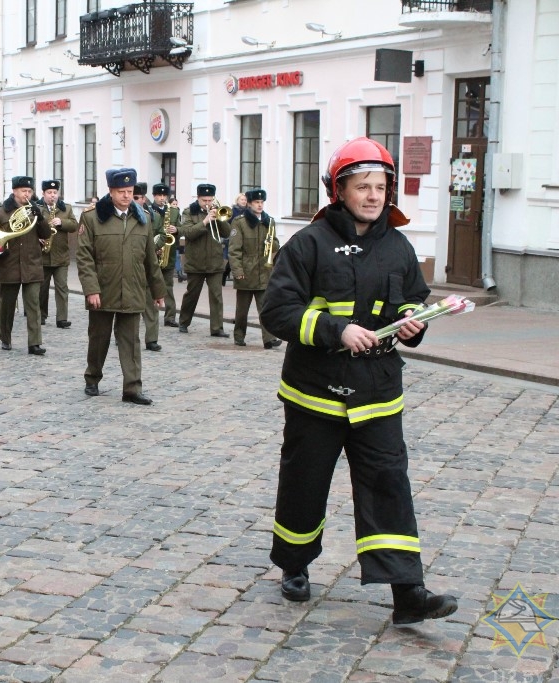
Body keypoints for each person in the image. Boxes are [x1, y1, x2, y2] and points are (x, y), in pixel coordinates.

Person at [260, 137, 457, 625]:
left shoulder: (398, 244)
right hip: (315, 394)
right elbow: (277, 312)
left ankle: (408, 592)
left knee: (390, 486)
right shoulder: (307, 243)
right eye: (362, 186)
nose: (373, 195)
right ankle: (295, 565)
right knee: (305, 483)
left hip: (378, 395)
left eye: (381, 186)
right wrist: (336, 330)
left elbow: (413, 297)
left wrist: (414, 321)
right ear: (338, 190)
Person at [76, 168, 166, 405]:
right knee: (99, 338)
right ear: (111, 191)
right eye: (121, 192)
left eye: (130, 191)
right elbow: (84, 256)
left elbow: (150, 258)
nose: (127, 196)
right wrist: (91, 289)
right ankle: (92, 377)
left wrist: (158, 291)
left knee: (131, 341)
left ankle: (132, 388)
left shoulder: (142, 218)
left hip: (133, 288)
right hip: (103, 288)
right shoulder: (92, 217)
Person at [0, 176, 52, 355]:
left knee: (33, 305)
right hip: (9, 264)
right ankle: (6, 338)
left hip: (32, 263)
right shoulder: (0, 212)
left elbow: (46, 233)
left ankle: (35, 343)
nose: (27, 194)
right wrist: (1, 251)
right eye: (24, 191)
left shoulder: (35, 209)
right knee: (8, 306)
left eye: (29, 191)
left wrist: (40, 217)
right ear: (15, 191)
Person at [228, 189, 281, 349]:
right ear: (250, 204)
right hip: (246, 271)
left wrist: (271, 242)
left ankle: (269, 339)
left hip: (264, 271)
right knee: (242, 310)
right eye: (257, 202)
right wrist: (237, 271)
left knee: (265, 308)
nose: (260, 205)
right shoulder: (240, 222)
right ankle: (239, 335)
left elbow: (276, 245)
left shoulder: (268, 221)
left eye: (261, 202)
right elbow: (234, 249)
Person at [178, 184, 230, 338]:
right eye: (204, 200)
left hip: (215, 261)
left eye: (210, 200)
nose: (207, 203)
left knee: (216, 296)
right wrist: (205, 221)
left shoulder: (217, 211)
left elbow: (227, 232)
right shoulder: (189, 212)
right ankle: (184, 322)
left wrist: (219, 219)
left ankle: (217, 328)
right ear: (198, 198)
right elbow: (188, 233)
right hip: (196, 261)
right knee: (192, 294)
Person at [36, 179, 78, 330]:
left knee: (62, 288)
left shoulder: (66, 208)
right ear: (43, 193)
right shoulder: (37, 208)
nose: (52, 196)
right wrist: (38, 237)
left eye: (55, 193)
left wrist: (62, 222)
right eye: (49, 193)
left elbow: (74, 225)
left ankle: (62, 318)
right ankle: (41, 315)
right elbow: (30, 227)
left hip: (61, 256)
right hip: (43, 256)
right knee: (42, 288)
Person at [133, 182, 163, 352]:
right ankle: (122, 335)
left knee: (151, 306)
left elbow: (162, 234)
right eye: (134, 197)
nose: (138, 200)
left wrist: (155, 245)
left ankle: (152, 339)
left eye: (140, 197)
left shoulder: (154, 216)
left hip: (149, 265)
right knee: (127, 306)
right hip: (132, 266)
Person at [151, 183, 181, 328]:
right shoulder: (148, 211)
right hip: (153, 254)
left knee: (168, 286)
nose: (162, 198)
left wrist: (176, 229)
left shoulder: (174, 212)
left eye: (164, 196)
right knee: (150, 286)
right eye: (159, 196)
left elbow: (182, 229)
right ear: (154, 196)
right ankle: (150, 315)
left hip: (169, 254)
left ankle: (170, 317)